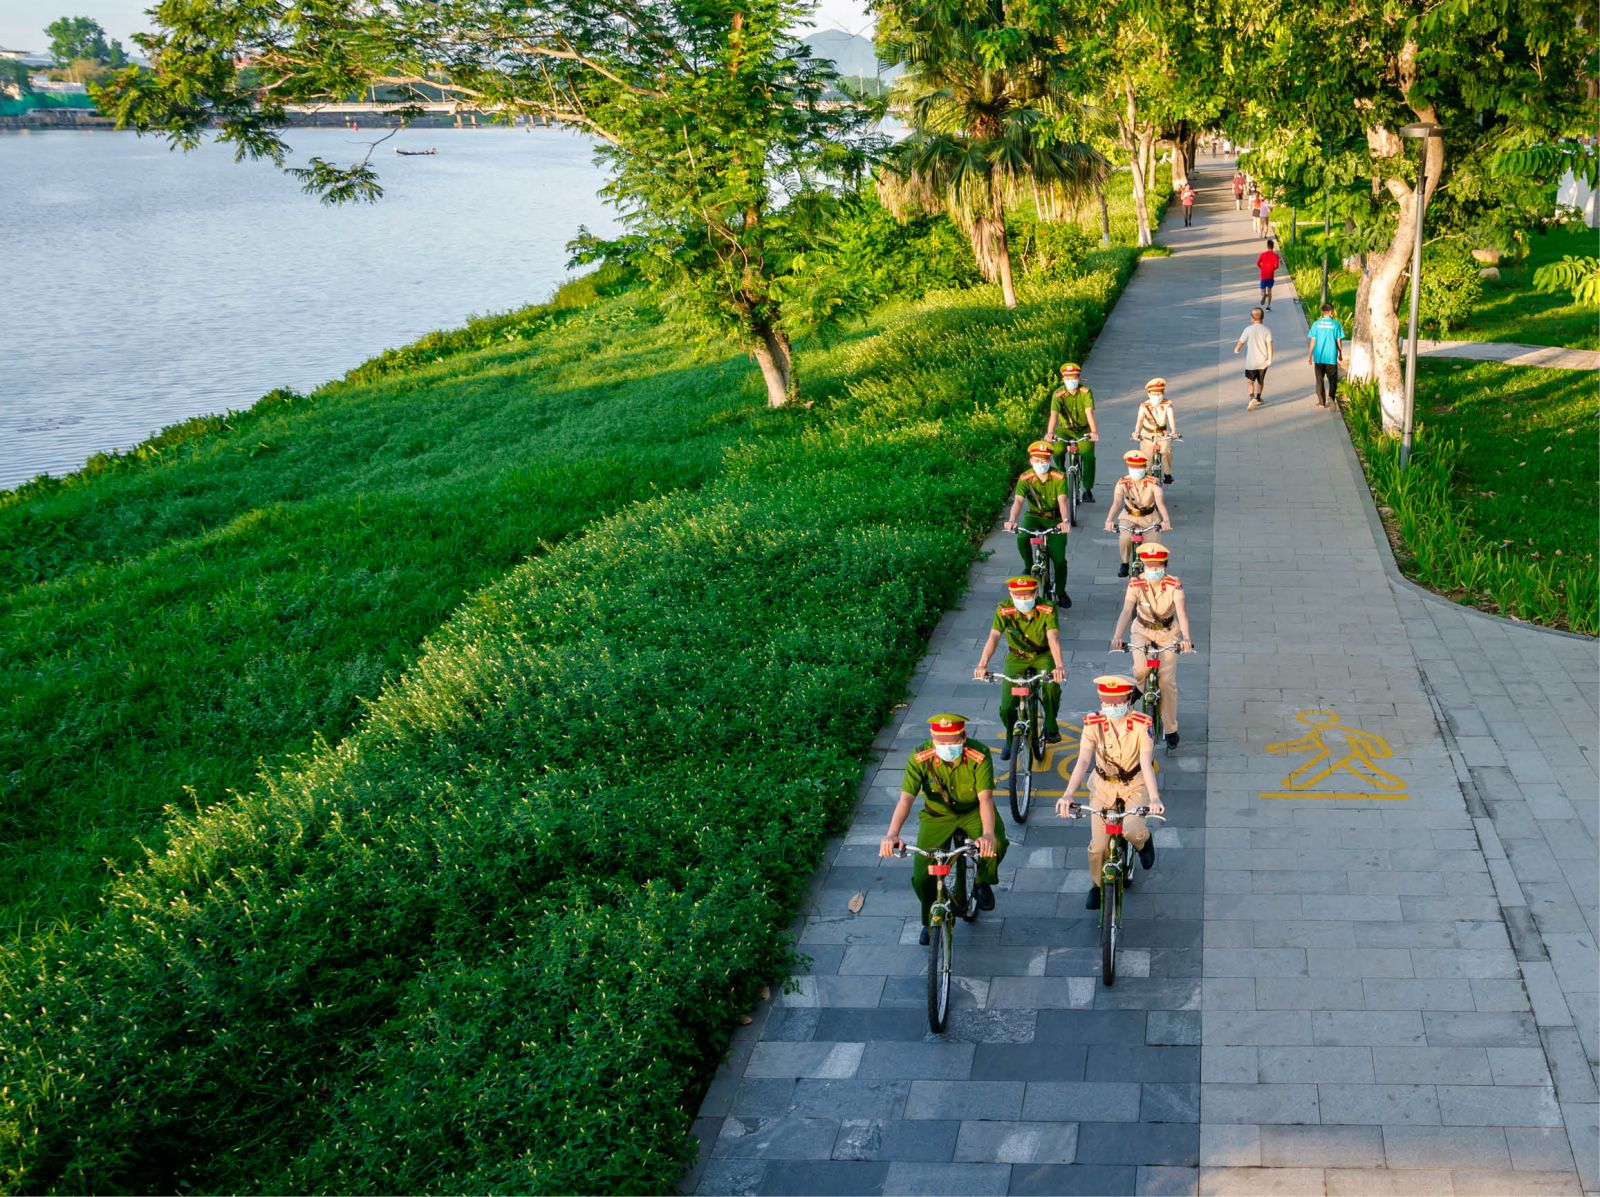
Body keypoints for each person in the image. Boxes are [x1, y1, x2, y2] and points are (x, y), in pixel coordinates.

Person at [880, 713, 1006, 943]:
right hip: (937, 816)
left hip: (973, 812)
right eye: (941, 742)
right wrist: (892, 833)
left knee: (996, 841)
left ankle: (982, 880)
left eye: (952, 742)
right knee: (921, 876)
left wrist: (987, 834)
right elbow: (906, 799)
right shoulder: (920, 757)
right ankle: (930, 920)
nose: (947, 747)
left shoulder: (978, 755)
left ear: (964, 736)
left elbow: (986, 799)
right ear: (932, 737)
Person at [1055, 676, 1163, 909]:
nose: (1110, 707)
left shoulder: (1143, 724)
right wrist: (1068, 794)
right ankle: (1097, 885)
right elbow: (1083, 760)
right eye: (1106, 701)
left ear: (1128, 699)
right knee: (1099, 846)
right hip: (1103, 786)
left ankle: (1144, 843)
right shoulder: (1093, 723)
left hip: (1136, 784)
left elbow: (1146, 762)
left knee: (1132, 829)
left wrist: (1154, 798)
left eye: (1116, 702)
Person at [1109, 542, 1195, 750]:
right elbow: (1126, 610)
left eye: (1157, 566)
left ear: (1164, 566)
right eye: (1149, 566)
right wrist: (1117, 636)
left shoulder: (1174, 585)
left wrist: (1186, 639)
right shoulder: (1136, 584)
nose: (1153, 570)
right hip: (1142, 630)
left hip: (1168, 633)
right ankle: (1140, 687)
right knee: (1140, 668)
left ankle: (1171, 728)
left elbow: (1181, 614)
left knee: (1166, 683)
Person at [974, 575, 1068, 758]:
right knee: (1006, 707)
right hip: (1016, 657)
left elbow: (1053, 638)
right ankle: (1010, 738)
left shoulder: (1047, 609)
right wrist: (982, 664)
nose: (1023, 600)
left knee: (1050, 686)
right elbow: (994, 637)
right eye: (1018, 596)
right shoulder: (1004, 609)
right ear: (1010, 594)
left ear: (1035, 593)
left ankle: (1050, 724)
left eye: (1027, 596)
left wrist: (1059, 666)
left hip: (1043, 655)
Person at [1003, 440, 1072, 608]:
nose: (1041, 464)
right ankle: (1028, 566)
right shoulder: (1025, 478)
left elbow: (1063, 501)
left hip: (1055, 519)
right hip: (1034, 517)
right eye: (1037, 460)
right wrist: (1012, 520)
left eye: (1045, 460)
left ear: (1050, 460)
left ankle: (1061, 592)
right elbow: (1018, 501)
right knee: (1022, 536)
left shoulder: (1059, 477)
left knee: (1060, 560)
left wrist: (1065, 521)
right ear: (1031, 461)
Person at [1104, 449, 1172, 577]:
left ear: (1145, 467)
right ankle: (1124, 563)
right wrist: (1109, 520)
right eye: (1132, 467)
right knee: (1124, 538)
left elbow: (1160, 503)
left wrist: (1166, 520)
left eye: (1138, 467)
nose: (1135, 470)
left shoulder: (1154, 483)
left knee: (1152, 548)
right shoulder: (1122, 482)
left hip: (1150, 517)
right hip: (1129, 516)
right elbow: (1116, 502)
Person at [1046, 362, 1099, 503]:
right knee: (1056, 452)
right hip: (1064, 430)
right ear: (1063, 379)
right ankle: (1062, 473)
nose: (1071, 380)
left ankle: (1087, 489)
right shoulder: (1058, 394)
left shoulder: (1086, 392)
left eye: (1074, 377)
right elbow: (1054, 415)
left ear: (1079, 378)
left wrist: (1094, 432)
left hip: (1083, 430)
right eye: (1068, 378)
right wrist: (1050, 432)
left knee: (1088, 458)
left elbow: (1089, 412)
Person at [1132, 377, 1178, 484]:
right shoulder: (1144, 406)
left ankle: (1167, 474)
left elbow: (1171, 419)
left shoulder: (1167, 404)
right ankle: (1145, 481)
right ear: (1148, 394)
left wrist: (1174, 432)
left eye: (1159, 394)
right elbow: (1139, 420)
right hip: (1147, 434)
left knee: (1166, 452)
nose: (1156, 396)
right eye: (1153, 394)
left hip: (1163, 434)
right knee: (1146, 459)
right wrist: (1136, 432)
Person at [1232, 306, 1274, 410]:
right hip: (1263, 361)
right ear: (1263, 318)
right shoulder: (1267, 330)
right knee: (1260, 381)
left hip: (1251, 361)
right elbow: (1270, 345)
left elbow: (1241, 342)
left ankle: (1251, 398)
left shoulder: (1248, 329)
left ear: (1251, 318)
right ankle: (1258, 398)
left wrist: (1237, 349)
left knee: (1250, 381)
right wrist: (1269, 359)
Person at [1307, 301, 1346, 407]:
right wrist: (1340, 354)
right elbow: (1339, 341)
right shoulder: (1336, 325)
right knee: (1333, 380)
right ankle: (1331, 397)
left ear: (1323, 312)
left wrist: (1310, 355)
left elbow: (1313, 341)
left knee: (1319, 380)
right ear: (1331, 312)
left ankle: (1321, 402)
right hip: (1331, 357)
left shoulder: (1316, 324)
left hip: (1319, 357)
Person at [1256, 238, 1280, 310]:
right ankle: (1268, 306)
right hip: (1270, 275)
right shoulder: (1275, 255)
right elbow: (1277, 266)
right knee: (1270, 290)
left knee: (1262, 290)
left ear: (1267, 246)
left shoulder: (1263, 254)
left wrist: (1262, 268)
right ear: (1273, 246)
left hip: (1263, 275)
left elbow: (1257, 263)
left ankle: (1264, 295)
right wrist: (1272, 269)